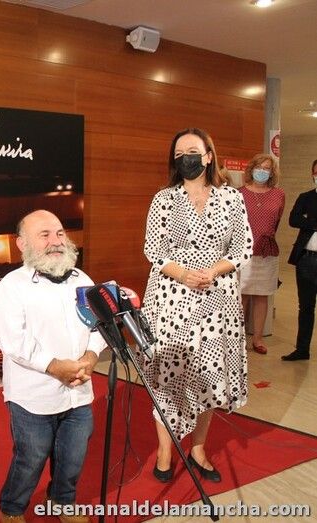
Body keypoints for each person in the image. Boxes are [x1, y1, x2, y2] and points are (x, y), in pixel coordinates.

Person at [141, 128, 253, 484]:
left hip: (218, 298)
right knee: (168, 373)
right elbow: (154, 249)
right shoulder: (164, 198)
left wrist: (212, 271)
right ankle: (165, 450)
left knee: (209, 372)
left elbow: (242, 247)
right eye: (178, 154)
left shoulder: (231, 198)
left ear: (208, 155)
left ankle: (198, 448)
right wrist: (186, 275)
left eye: (192, 150)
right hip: (171, 296)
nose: (185, 158)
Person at [0, 210, 105, 523]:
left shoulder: (83, 280)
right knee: (31, 458)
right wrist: (54, 367)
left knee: (73, 457)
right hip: (33, 397)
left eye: (60, 233)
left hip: (79, 391)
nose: (56, 241)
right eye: (45, 235)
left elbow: (99, 326)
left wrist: (91, 356)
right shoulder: (11, 287)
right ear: (21, 244)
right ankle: (11, 509)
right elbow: (13, 341)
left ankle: (62, 502)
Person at [238, 154, 285, 354]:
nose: (262, 171)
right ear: (251, 169)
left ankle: (257, 339)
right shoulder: (239, 193)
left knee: (261, 296)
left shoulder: (279, 194)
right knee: (241, 297)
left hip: (266, 252)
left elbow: (277, 221)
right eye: (259, 167)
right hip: (243, 252)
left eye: (267, 168)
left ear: (272, 173)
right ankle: (238, 338)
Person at [282, 159, 317, 361]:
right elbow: (294, 219)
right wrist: (313, 222)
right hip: (307, 260)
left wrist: (309, 220)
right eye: (316, 172)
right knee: (305, 307)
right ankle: (302, 349)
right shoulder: (306, 197)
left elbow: (302, 219)